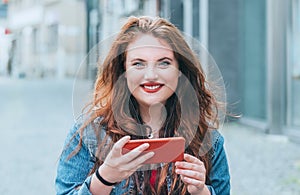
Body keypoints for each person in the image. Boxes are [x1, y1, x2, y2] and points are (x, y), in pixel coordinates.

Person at [55, 16, 230, 195]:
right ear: (123, 71)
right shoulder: (88, 134)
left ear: (180, 71)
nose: (151, 75)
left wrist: (201, 191)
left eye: (164, 63)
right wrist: (104, 178)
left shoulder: (208, 139)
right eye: (138, 63)